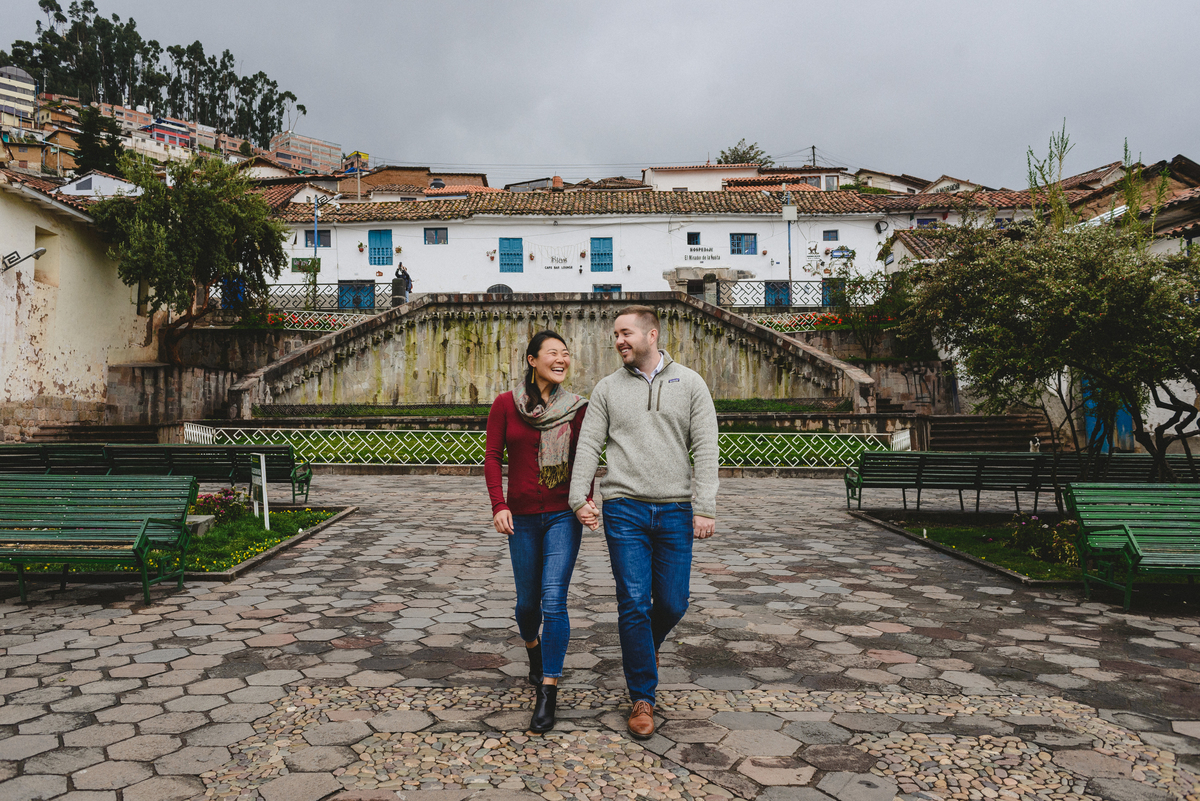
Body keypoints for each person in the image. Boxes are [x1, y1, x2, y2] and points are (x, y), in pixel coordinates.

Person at [568, 305, 718, 740]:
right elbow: (589, 445)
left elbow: (706, 447)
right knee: (634, 602)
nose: (618, 340)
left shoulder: (690, 383)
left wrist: (704, 505)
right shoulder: (607, 389)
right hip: (624, 508)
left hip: (674, 509)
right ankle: (642, 698)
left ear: (651, 335)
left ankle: (639, 655)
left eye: (626, 333)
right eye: (615, 333)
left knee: (672, 603)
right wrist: (580, 497)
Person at [484, 330, 595, 733]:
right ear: (533, 360)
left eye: (566, 353)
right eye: (553, 353)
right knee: (527, 605)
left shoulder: (577, 408)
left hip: (563, 516)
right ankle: (533, 648)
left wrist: (584, 501)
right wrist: (499, 505)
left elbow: (585, 458)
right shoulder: (504, 405)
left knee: (553, 599)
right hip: (523, 517)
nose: (561, 358)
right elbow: (493, 457)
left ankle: (548, 689)